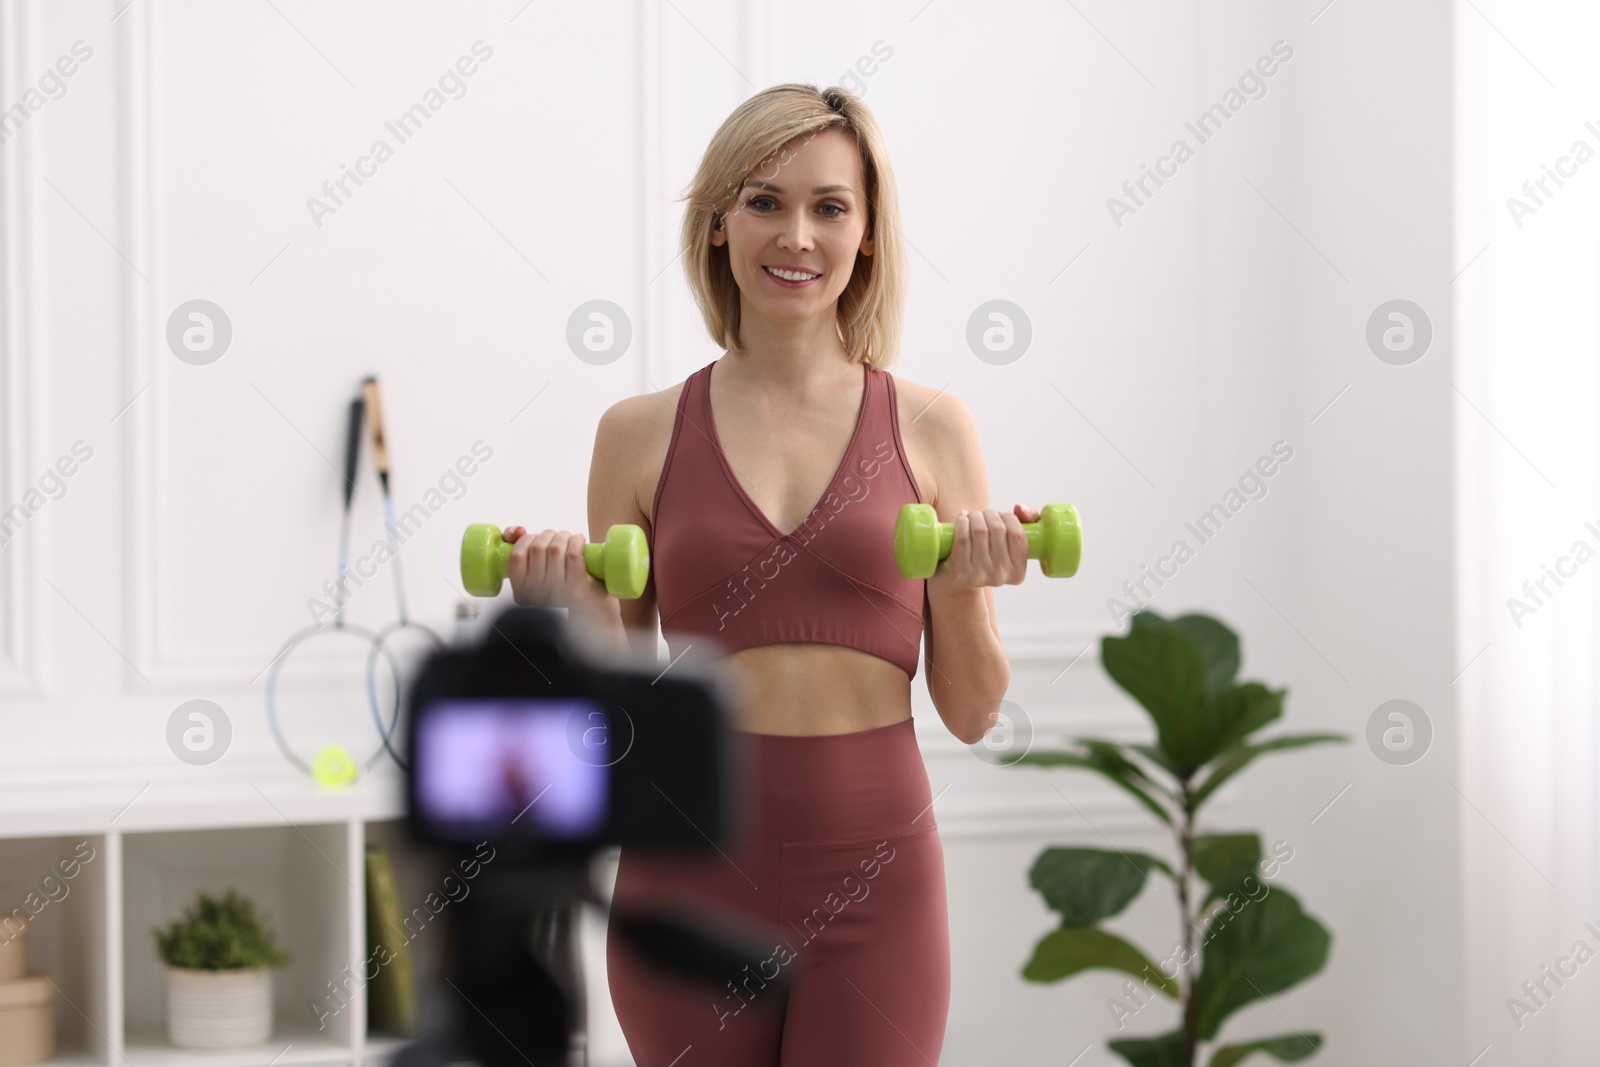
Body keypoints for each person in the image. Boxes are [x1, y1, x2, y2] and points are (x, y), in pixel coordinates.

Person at [499, 83, 1038, 1067]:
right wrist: (575, 609)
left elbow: (969, 709)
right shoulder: (637, 433)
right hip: (687, 863)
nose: (796, 235)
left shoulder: (930, 426)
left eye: (829, 206)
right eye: (764, 201)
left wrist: (963, 580)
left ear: (869, 233)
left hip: (876, 871)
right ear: (718, 223)